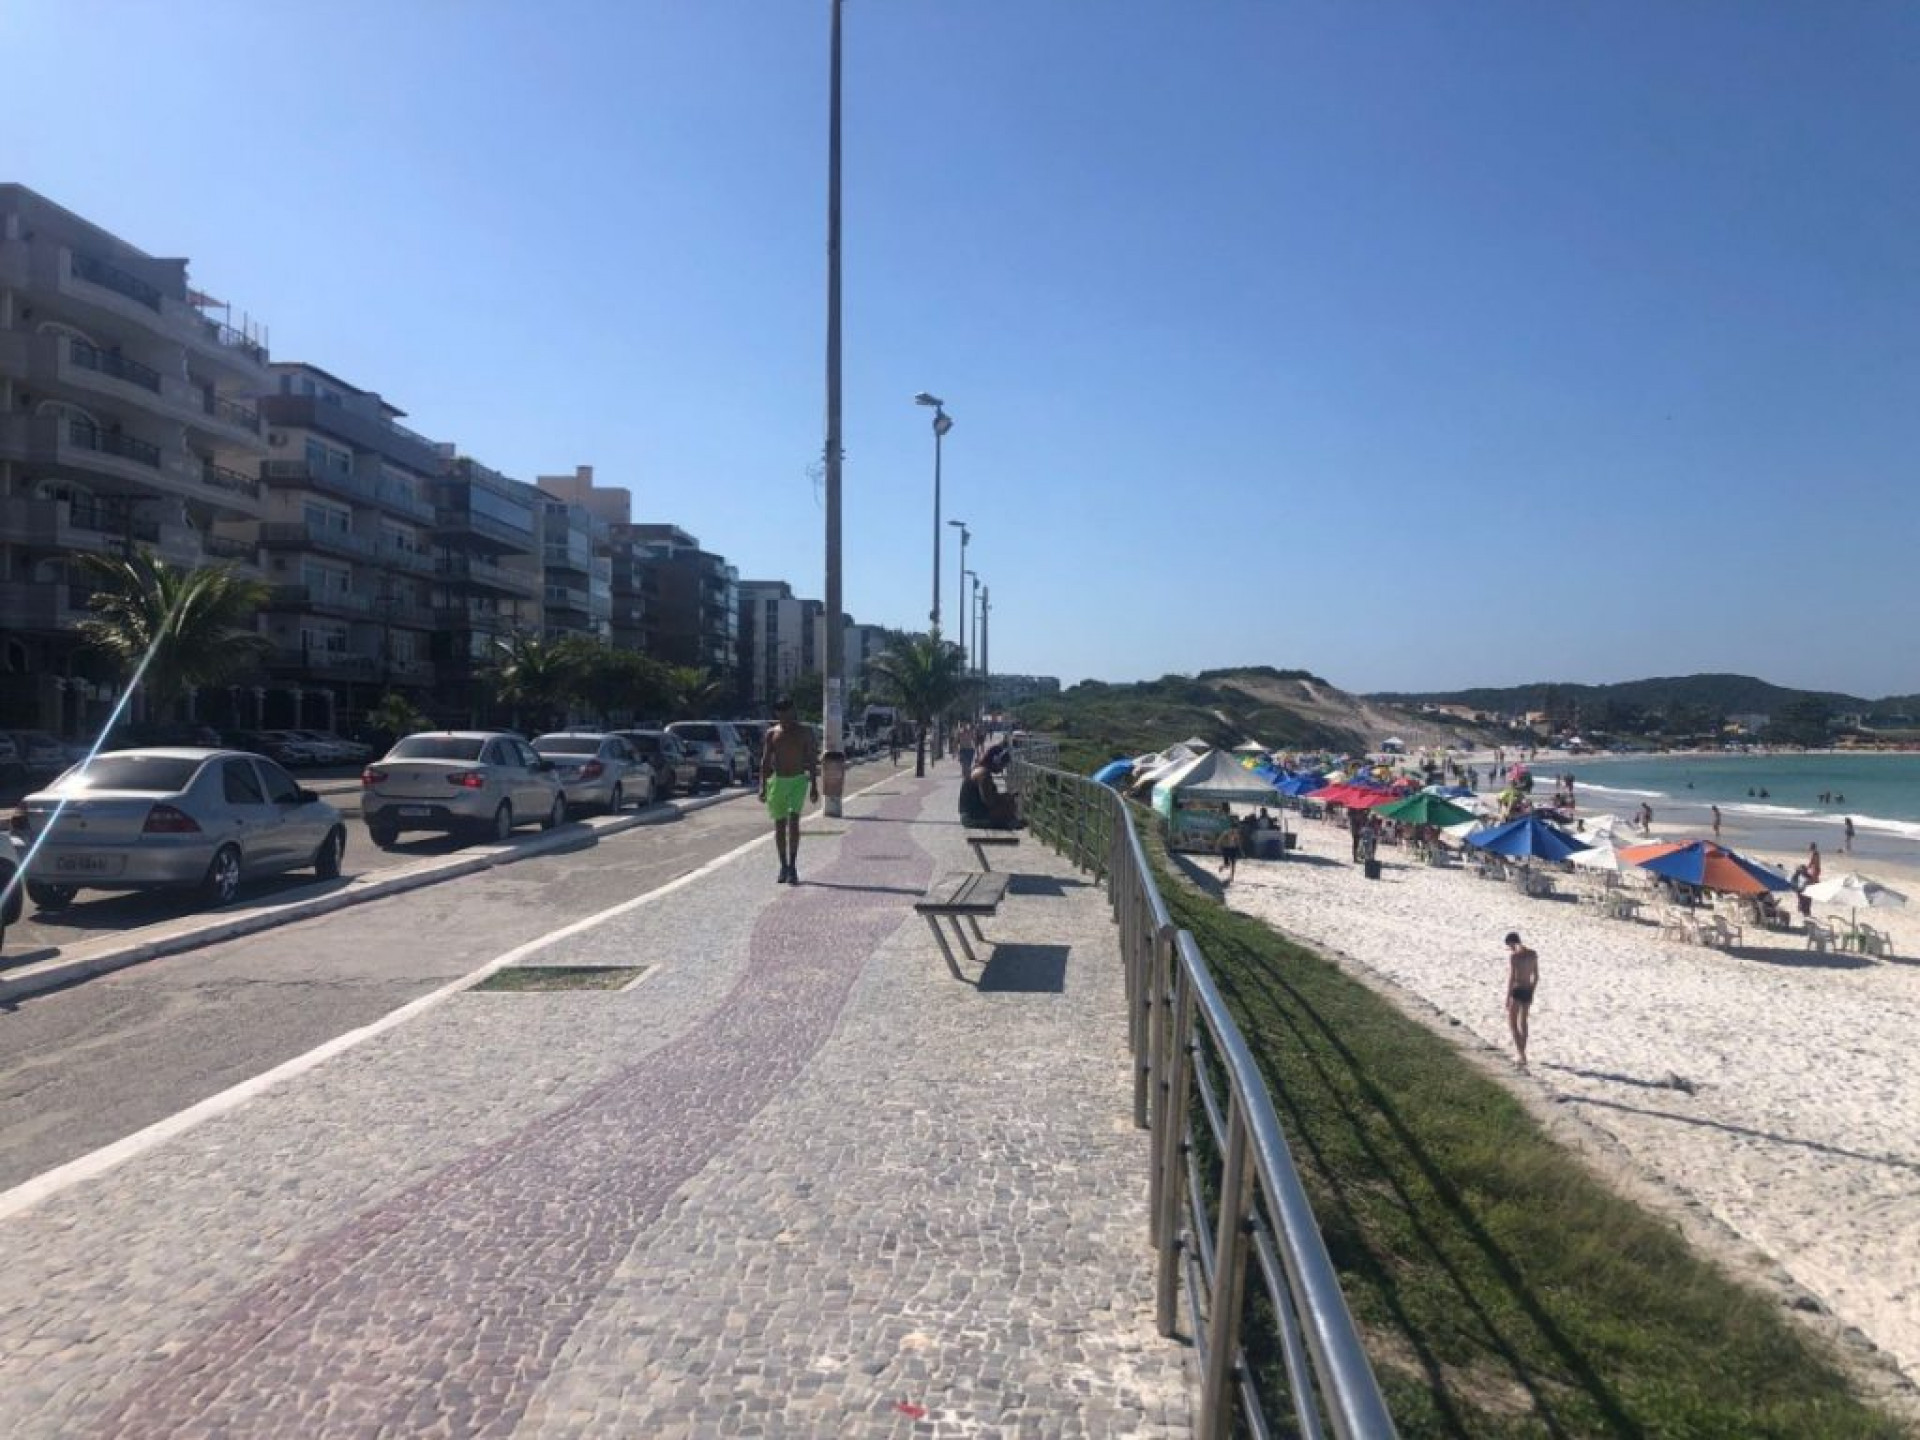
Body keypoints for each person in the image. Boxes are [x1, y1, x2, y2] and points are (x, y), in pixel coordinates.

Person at [759, 696, 818, 884]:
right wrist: (762, 786)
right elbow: (765, 761)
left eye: (787, 712)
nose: (784, 717)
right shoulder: (772, 733)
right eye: (780, 713)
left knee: (793, 821)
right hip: (778, 782)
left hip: (798, 781)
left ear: (793, 711)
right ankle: (783, 865)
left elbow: (811, 759)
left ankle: (793, 866)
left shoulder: (805, 732)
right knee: (779, 825)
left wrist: (814, 786)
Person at [1504, 931, 1538, 1068]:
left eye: (1509, 946)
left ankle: (1521, 1055)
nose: (1510, 948)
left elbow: (1512, 978)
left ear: (1512, 943)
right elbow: (1536, 976)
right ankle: (1522, 1053)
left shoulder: (1514, 956)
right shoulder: (1533, 954)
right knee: (1523, 1022)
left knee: (1512, 1023)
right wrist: (1532, 992)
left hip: (1517, 989)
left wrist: (1507, 997)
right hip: (1528, 989)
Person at [1217, 817, 1242, 882]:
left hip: (1233, 849)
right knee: (1227, 865)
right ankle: (1222, 867)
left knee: (1233, 863)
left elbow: (1238, 842)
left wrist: (1241, 851)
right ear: (1232, 828)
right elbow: (1220, 839)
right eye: (1235, 829)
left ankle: (1232, 877)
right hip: (1226, 849)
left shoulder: (1237, 834)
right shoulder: (1226, 832)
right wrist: (1218, 846)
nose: (1236, 830)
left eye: (1236, 829)